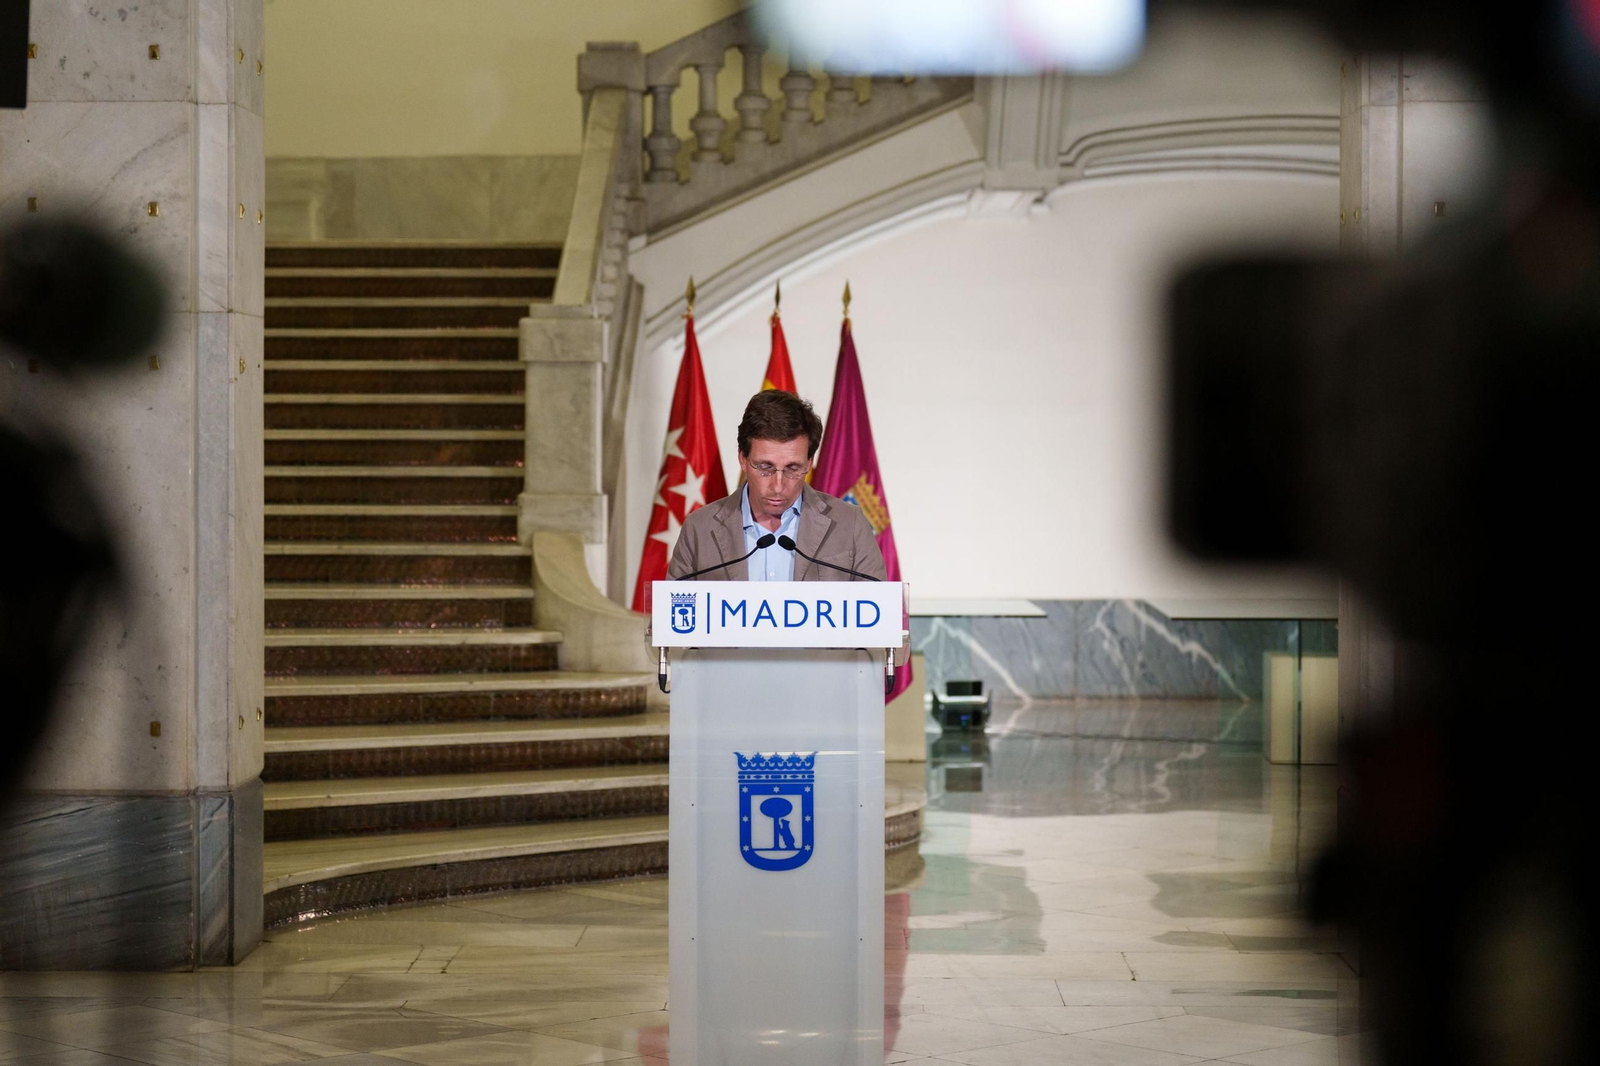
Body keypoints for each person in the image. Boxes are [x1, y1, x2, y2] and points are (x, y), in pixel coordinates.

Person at [667, 390, 886, 583]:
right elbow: (668, 622)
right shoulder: (700, 529)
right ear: (743, 458)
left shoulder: (850, 524)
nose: (778, 486)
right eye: (765, 467)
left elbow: (881, 619)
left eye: (792, 468)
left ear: (809, 462)